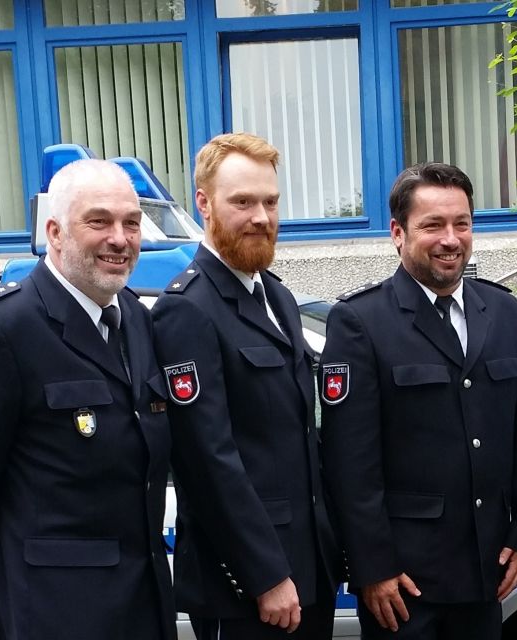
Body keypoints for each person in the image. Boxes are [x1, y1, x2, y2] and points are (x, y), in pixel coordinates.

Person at [0, 159, 176, 640]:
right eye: (98, 221)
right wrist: (11, 575)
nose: (120, 239)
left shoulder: (136, 320)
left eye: (131, 223)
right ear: (56, 232)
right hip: (52, 612)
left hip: (143, 604)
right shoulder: (2, 327)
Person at [320, 162, 517, 639]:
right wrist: (372, 567)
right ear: (398, 233)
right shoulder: (361, 321)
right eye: (433, 225)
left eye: (462, 224)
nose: (451, 239)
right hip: (403, 585)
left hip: (488, 571)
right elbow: (349, 462)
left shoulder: (503, 311)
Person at [152, 133, 338, 640]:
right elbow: (206, 461)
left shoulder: (274, 296)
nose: (261, 216)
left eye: (270, 202)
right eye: (243, 202)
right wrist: (265, 576)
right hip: (245, 588)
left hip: (305, 571)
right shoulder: (186, 309)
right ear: (204, 204)